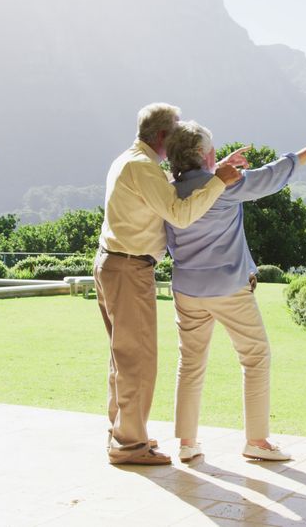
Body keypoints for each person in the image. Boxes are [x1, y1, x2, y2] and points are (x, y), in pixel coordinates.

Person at [164, 121, 306, 462]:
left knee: (190, 363)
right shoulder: (226, 186)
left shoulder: (169, 190)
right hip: (228, 288)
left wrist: (216, 164)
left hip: (186, 290)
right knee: (255, 358)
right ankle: (256, 442)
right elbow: (271, 176)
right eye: (211, 149)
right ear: (202, 154)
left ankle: (186, 443)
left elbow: (202, 186)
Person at [95, 103, 247, 465]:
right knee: (138, 361)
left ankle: (122, 436)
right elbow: (180, 214)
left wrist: (212, 167)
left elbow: (176, 194)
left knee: (122, 358)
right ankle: (129, 446)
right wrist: (219, 181)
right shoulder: (144, 168)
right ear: (162, 135)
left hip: (115, 265)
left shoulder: (130, 160)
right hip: (129, 270)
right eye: (176, 130)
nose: (179, 136)